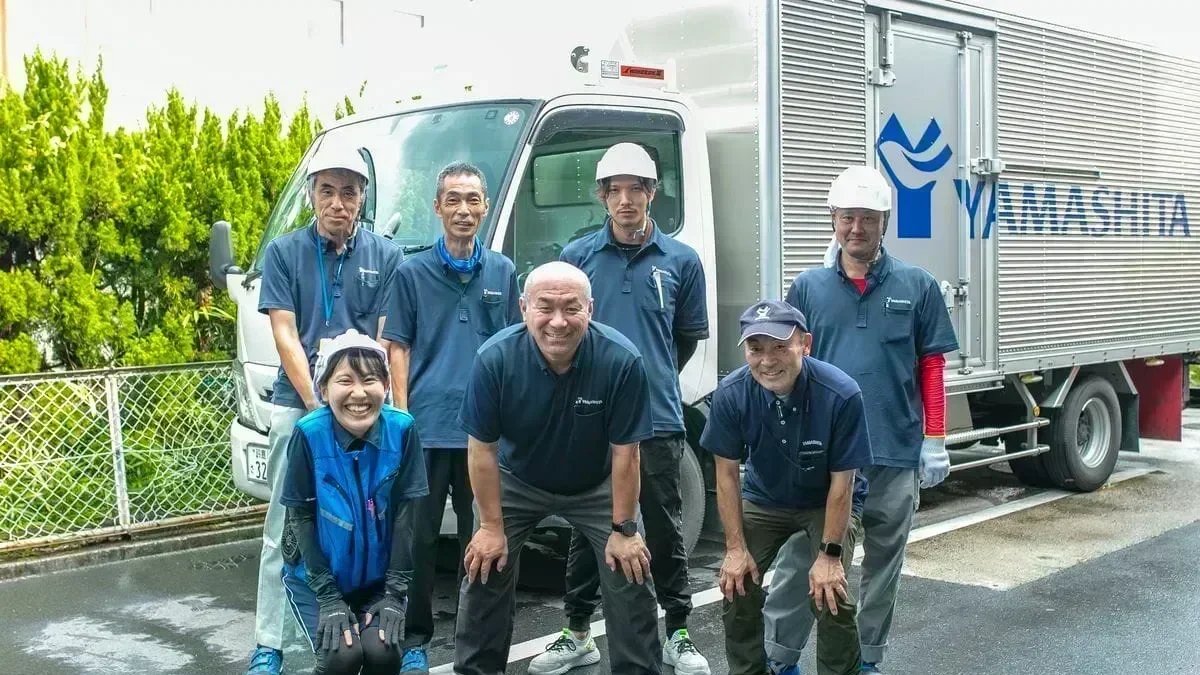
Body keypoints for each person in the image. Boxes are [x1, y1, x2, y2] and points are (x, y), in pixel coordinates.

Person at [536, 141, 709, 675]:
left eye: (637, 188)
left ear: (653, 192)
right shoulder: (577, 257)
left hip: (657, 416)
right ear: (602, 196)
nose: (626, 199)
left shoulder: (681, 261)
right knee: (588, 528)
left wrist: (646, 377)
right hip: (591, 416)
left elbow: (684, 340)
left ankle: (678, 632)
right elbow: (561, 333)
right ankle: (577, 632)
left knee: (663, 526)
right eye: (616, 190)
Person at [785, 165, 960, 674]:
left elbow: (931, 366)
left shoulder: (917, 285)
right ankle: (781, 657)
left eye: (868, 218)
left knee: (884, 565)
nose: (856, 228)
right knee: (803, 562)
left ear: (885, 221)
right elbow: (790, 369)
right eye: (847, 218)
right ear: (832, 220)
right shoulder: (808, 288)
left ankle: (867, 660)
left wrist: (935, 438)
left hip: (894, 450)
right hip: (826, 457)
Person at [453, 261, 663, 675]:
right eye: (545, 307)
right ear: (523, 308)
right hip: (517, 480)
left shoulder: (621, 360)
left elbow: (627, 454)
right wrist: (491, 527)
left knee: (631, 569)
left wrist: (624, 529)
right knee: (484, 565)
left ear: (591, 309)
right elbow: (481, 450)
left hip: (597, 485)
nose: (558, 322)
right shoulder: (494, 359)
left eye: (571, 308)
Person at [246, 141, 404, 675]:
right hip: (301, 407)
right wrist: (321, 407)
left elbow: (385, 339)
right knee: (285, 526)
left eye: (350, 192)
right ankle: (269, 644)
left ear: (363, 198)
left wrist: (371, 405)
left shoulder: (386, 256)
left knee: (371, 521)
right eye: (328, 191)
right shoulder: (285, 252)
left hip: (366, 412)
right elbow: (285, 333)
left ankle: (369, 628)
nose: (339, 202)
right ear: (312, 195)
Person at [381, 161, 521, 675]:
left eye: (473, 200)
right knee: (417, 540)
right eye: (454, 200)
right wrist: (400, 416)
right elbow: (397, 346)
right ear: (438, 207)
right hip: (425, 428)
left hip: (483, 433)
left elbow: (515, 345)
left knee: (481, 537)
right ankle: (415, 638)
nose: (464, 210)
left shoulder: (502, 271)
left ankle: (475, 636)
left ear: (485, 207)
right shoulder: (411, 272)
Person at [702, 300, 873, 675]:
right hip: (765, 499)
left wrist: (829, 556)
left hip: (825, 501)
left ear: (805, 344)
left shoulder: (841, 394)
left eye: (780, 347)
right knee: (737, 583)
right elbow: (726, 475)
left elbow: (843, 483)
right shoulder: (731, 394)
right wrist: (735, 549)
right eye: (756, 349)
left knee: (831, 592)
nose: (767, 361)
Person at [278, 330, 429, 675]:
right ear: (323, 388)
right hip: (316, 580)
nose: (359, 393)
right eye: (345, 381)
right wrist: (328, 597)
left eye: (370, 380)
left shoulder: (403, 430)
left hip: (377, 581)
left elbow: (407, 517)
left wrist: (394, 594)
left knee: (383, 652)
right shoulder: (308, 434)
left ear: (386, 386)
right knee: (342, 657)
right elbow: (300, 518)